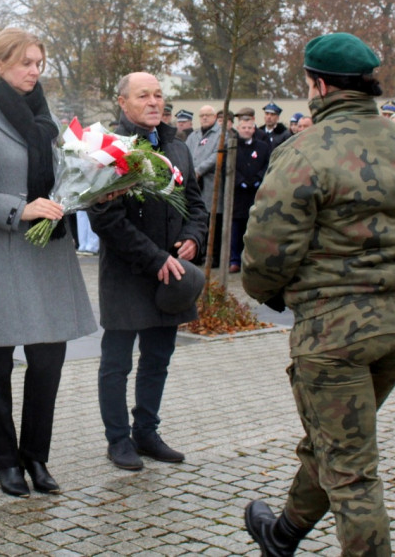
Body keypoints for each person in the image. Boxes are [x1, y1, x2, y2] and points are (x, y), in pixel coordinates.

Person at [241, 32, 395, 556]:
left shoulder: (303, 151)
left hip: (333, 335)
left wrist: (268, 293)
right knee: (337, 444)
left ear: (317, 85)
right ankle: (284, 534)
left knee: (352, 471)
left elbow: (266, 253)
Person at [0, 28, 97, 498]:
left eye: (39, 63)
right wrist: (21, 208)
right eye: (25, 62)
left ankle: (36, 456)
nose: (34, 71)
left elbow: (62, 174)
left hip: (48, 251)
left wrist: (91, 183)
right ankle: (4, 460)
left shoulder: (43, 116)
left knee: (48, 361)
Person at [88, 72, 207, 471]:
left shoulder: (177, 147)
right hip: (129, 273)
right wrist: (155, 258)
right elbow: (105, 218)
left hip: (172, 274)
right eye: (144, 96)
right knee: (117, 361)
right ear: (123, 102)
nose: (154, 102)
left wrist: (193, 237)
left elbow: (195, 202)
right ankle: (118, 438)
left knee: (158, 357)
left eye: (158, 95)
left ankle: (147, 431)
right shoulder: (109, 149)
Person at [186, 105, 228, 264]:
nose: (204, 118)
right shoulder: (194, 135)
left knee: (212, 219)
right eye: (201, 115)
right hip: (193, 183)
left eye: (208, 115)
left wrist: (199, 170)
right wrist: (190, 171)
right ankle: (197, 252)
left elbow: (217, 155)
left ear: (215, 117)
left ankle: (213, 256)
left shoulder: (221, 135)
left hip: (211, 183)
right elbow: (186, 153)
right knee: (196, 216)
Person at [228, 116, 269, 274]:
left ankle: (251, 261)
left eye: (249, 127)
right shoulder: (233, 146)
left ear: (254, 129)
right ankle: (235, 260)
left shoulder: (263, 146)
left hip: (256, 194)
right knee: (236, 230)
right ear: (238, 128)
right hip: (238, 195)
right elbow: (229, 166)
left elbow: (267, 163)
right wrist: (241, 181)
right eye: (244, 127)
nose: (247, 130)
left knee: (254, 228)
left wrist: (259, 178)